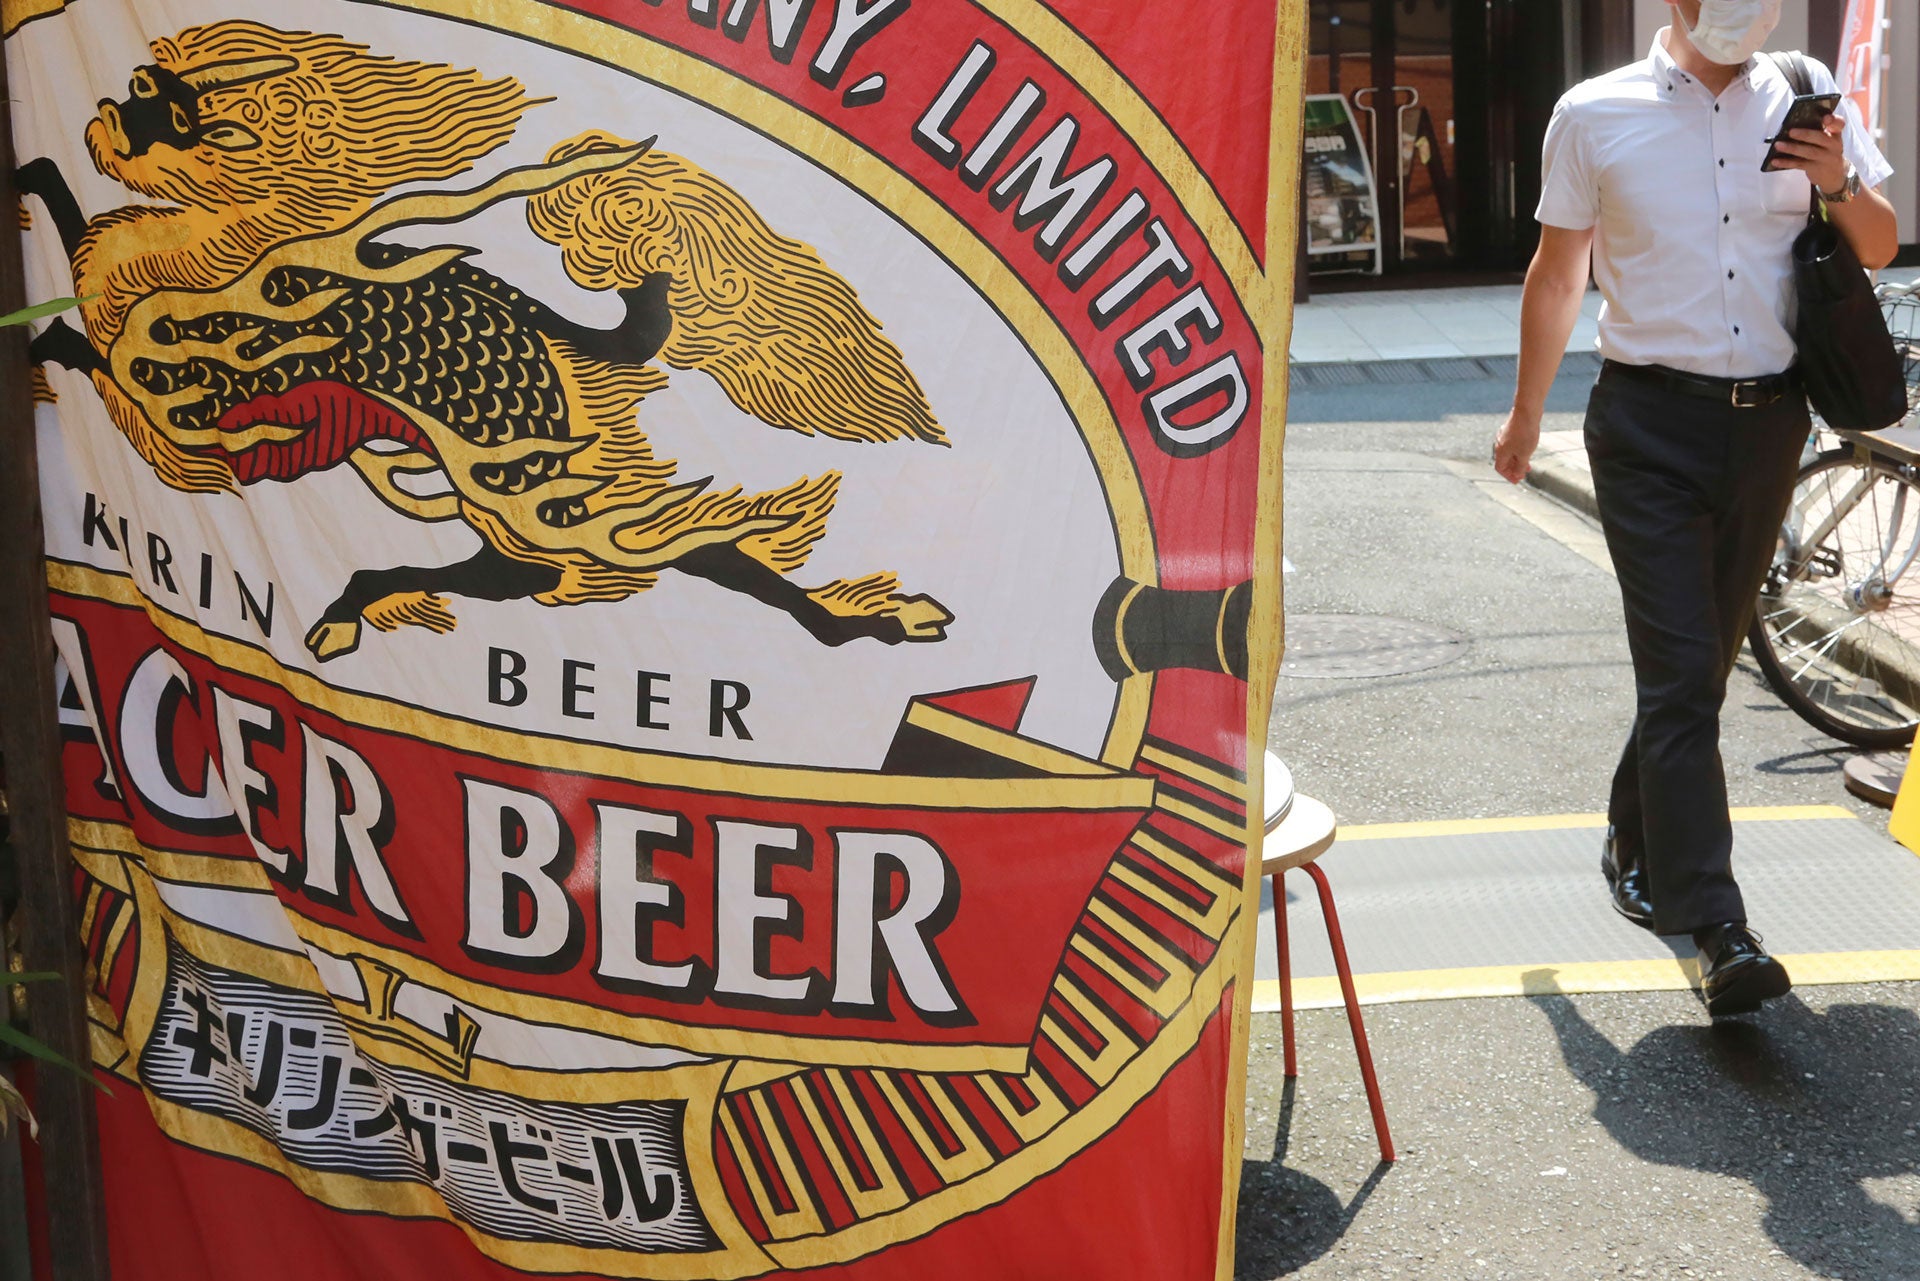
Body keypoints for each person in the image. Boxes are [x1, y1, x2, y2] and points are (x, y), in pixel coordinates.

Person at [1490, 0, 1898, 1017]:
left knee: (1700, 668)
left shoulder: (1807, 96)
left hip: (1770, 424)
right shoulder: (1594, 113)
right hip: (1645, 426)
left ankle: (1633, 831)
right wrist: (1526, 413)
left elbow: (1881, 244)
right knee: (1680, 675)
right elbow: (1558, 273)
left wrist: (1836, 181)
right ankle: (1718, 928)